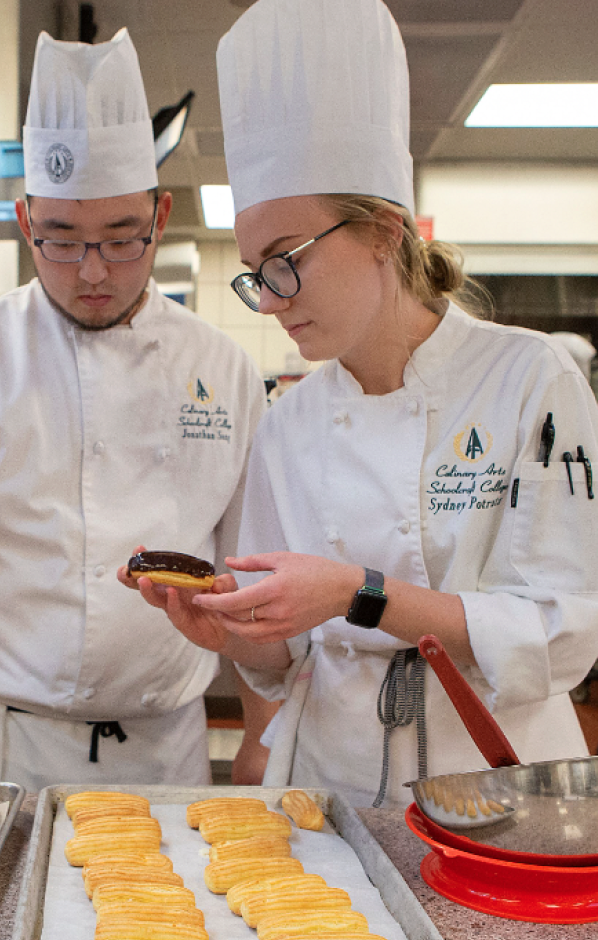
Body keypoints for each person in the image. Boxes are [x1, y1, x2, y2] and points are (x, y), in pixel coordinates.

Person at [123, 0, 598, 808]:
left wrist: (360, 594)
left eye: (284, 261)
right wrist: (240, 634)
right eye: (254, 273)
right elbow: (294, 654)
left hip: (498, 789)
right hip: (328, 788)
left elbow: (564, 636)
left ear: (383, 231)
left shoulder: (531, 379)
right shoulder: (290, 423)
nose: (267, 301)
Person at [0, 29, 274, 792]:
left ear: (160, 214)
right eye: (59, 240)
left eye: (121, 241)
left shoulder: (224, 369)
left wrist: (261, 738)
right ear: (24, 221)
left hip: (166, 745)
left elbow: (243, 581)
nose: (92, 274)